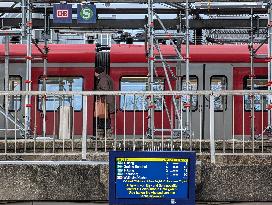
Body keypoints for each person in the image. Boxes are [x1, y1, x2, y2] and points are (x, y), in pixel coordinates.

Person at [94, 66, 115, 139]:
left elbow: (105, 90)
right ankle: (105, 136)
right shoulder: (106, 77)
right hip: (106, 101)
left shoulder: (103, 79)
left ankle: (103, 137)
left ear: (97, 72)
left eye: (95, 72)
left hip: (104, 102)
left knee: (103, 119)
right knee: (104, 118)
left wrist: (95, 91)